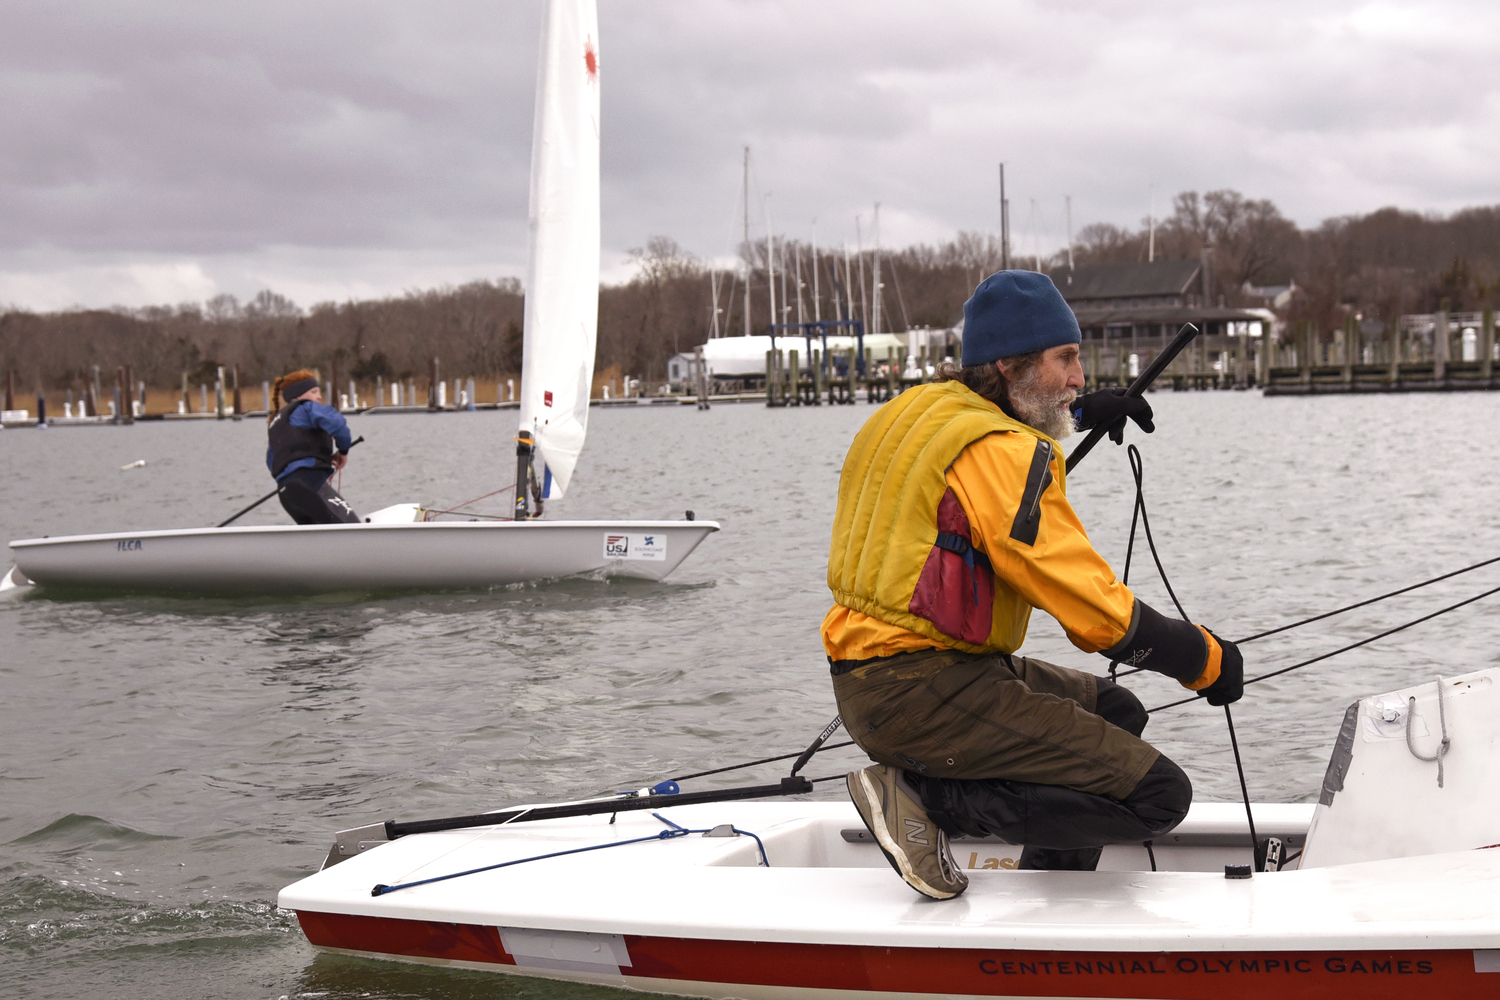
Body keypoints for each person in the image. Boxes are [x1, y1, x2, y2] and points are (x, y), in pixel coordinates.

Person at [825, 270, 1243, 900]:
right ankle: (921, 798)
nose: (1078, 375)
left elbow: (985, 456)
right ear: (1009, 365)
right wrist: (1202, 658)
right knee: (1160, 794)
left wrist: (1079, 410)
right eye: (1066, 359)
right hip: (918, 689)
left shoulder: (916, 412)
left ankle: (1051, 885)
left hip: (882, 676)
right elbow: (1093, 611)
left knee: (1117, 711)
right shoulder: (1003, 451)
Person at [265, 370, 360, 525]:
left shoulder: (274, 425)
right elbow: (338, 425)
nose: (319, 396)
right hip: (309, 483)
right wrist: (343, 451)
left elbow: (273, 461)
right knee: (352, 528)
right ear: (298, 396)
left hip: (286, 495)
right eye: (314, 391)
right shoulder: (307, 407)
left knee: (318, 540)